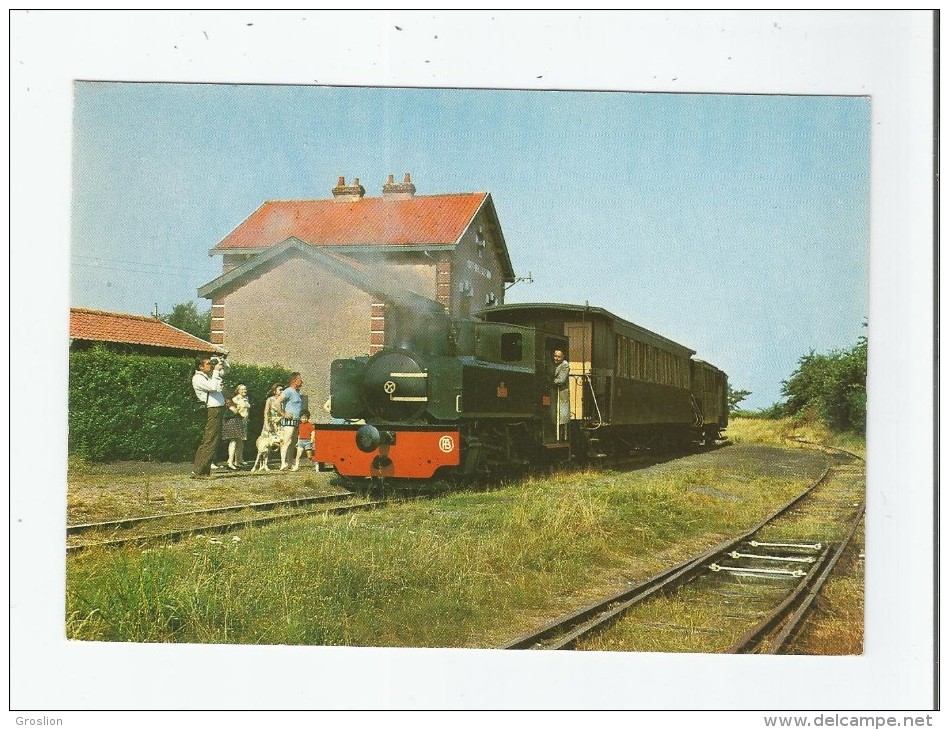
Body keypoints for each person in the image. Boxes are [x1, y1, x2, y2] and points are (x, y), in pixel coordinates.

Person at [191, 355, 229, 479]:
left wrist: (222, 362)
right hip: (212, 410)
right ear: (200, 367)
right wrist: (217, 371)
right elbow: (213, 387)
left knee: (212, 440)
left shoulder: (209, 375)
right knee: (210, 440)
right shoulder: (198, 378)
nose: (211, 366)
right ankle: (200, 472)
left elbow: (227, 371)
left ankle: (202, 470)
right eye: (208, 364)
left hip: (217, 410)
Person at [278, 372, 304, 470]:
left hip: (296, 421)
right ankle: (283, 463)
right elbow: (277, 402)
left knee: (293, 443)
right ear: (294, 381)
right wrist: (283, 414)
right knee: (286, 441)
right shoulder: (288, 391)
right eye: (300, 379)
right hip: (289, 421)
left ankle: (289, 463)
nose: (302, 381)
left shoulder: (296, 392)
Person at [223, 383, 250, 470]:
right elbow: (233, 410)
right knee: (234, 440)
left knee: (240, 441)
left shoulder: (246, 398)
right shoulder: (234, 399)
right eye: (242, 389)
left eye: (245, 389)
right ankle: (230, 461)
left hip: (243, 421)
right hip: (235, 420)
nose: (244, 391)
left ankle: (238, 461)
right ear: (237, 391)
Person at [552, 349, 570, 440]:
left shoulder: (565, 365)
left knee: (562, 413)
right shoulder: (554, 365)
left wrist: (549, 381)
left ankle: (562, 435)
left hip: (562, 392)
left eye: (559, 357)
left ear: (563, 357)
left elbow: (561, 380)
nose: (556, 358)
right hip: (554, 391)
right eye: (555, 356)